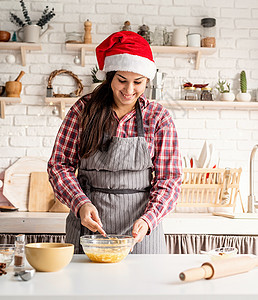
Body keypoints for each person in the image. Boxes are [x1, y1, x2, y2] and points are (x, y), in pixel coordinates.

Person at [48, 31, 182, 254]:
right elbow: (59, 166)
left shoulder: (158, 118)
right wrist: (80, 203)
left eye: (137, 82)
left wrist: (150, 219)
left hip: (140, 233)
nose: (129, 91)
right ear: (110, 76)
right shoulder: (83, 110)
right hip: (88, 229)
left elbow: (170, 179)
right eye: (122, 80)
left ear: (147, 80)